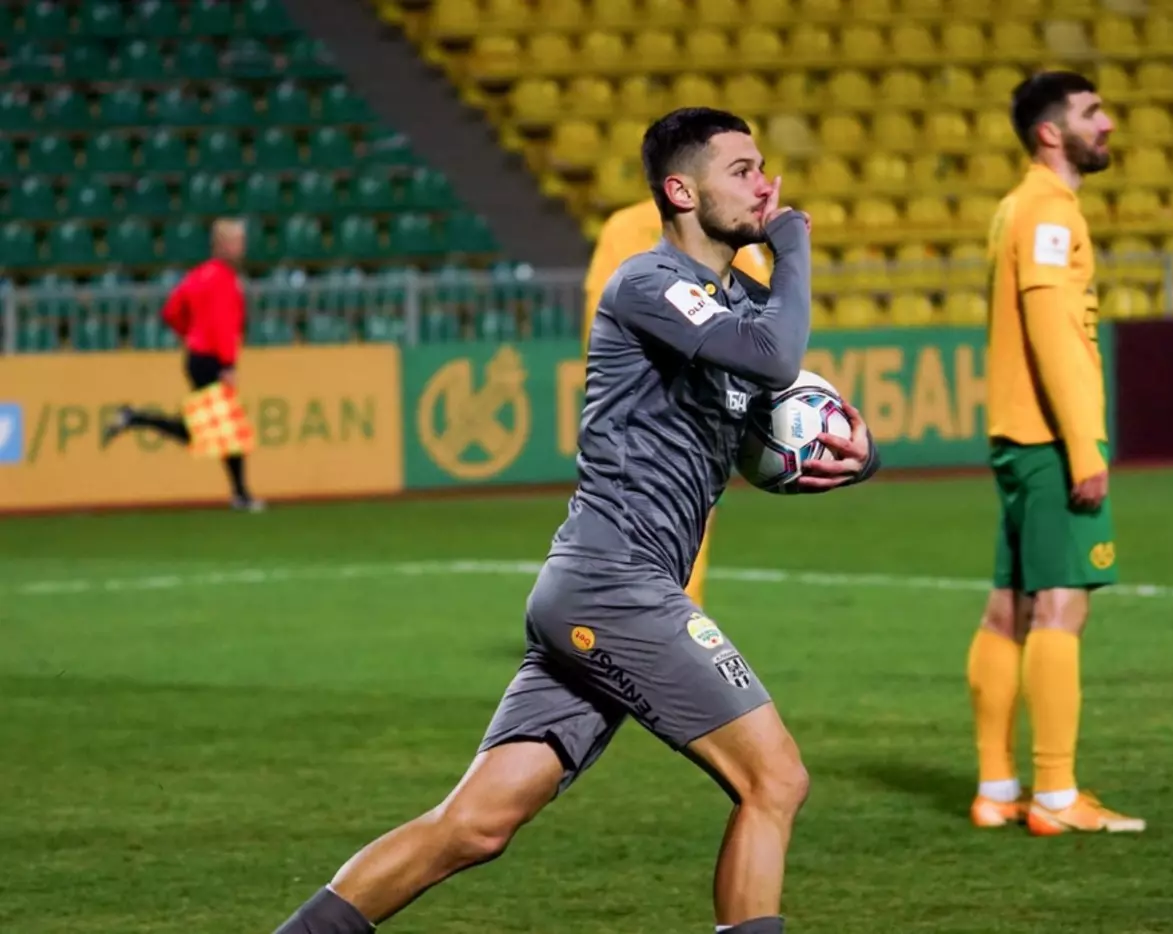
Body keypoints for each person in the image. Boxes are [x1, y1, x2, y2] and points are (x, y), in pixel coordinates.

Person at [269, 107, 881, 934]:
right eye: (741, 171)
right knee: (774, 780)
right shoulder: (648, 283)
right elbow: (776, 358)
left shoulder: (737, 303)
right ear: (681, 191)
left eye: (763, 168)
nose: (764, 185)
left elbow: (776, 409)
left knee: (475, 825)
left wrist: (858, 455)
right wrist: (795, 244)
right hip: (616, 584)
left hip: (602, 589)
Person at [967, 71, 1144, 835]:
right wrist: (1082, 444)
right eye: (1091, 112)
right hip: (1049, 437)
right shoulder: (1046, 211)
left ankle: (997, 789)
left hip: (1017, 433)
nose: (1107, 123)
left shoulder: (1018, 205)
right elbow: (1051, 329)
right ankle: (1056, 795)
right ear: (1051, 132)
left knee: (1009, 608)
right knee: (1062, 607)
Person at [582, 200, 772, 609]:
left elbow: (598, 318)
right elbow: (760, 316)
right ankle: (667, 623)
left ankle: (641, 621)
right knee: (681, 523)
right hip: (694, 401)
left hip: (633, 401)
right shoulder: (725, 221)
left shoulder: (622, 226)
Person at [102, 218, 263, 513]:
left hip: (197, 358)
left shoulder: (198, 275)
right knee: (226, 431)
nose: (242, 247)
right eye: (237, 241)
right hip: (213, 360)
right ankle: (241, 495)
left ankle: (134, 418)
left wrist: (190, 334)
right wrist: (228, 365)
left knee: (212, 431)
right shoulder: (224, 280)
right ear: (222, 245)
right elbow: (225, 326)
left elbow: (172, 311)